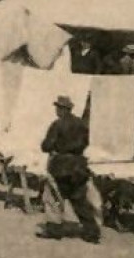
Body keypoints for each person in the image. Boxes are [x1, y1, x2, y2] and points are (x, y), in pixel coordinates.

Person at [39, 94, 101, 243]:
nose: (56, 111)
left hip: (60, 166)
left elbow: (46, 146)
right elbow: (85, 143)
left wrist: (56, 148)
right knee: (79, 200)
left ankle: (54, 230)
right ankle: (92, 232)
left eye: (57, 108)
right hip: (78, 166)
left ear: (61, 109)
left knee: (53, 198)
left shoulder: (57, 124)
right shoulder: (82, 125)